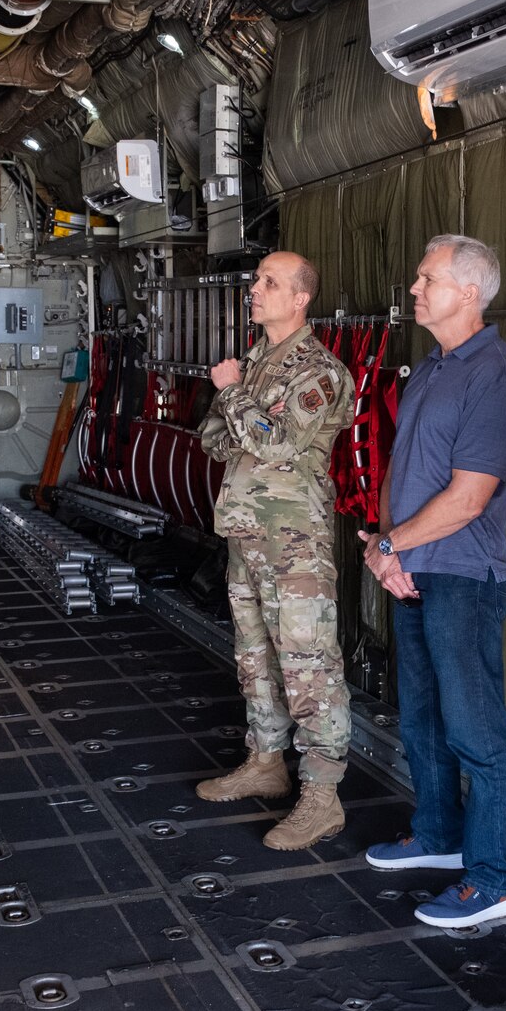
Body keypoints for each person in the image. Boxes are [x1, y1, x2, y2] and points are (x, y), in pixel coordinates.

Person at [359, 235, 506, 929]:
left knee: (475, 728)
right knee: (422, 715)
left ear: (468, 292)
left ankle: (492, 876)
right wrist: (384, 548)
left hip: (464, 575)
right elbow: (401, 469)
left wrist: (393, 543)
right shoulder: (431, 367)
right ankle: (437, 834)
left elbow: (468, 497)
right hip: (413, 569)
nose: (415, 288)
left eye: (427, 279)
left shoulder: (493, 374)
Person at [196, 251, 355, 849]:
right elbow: (214, 436)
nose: (255, 290)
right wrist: (241, 408)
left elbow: (278, 443)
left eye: (270, 283)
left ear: (300, 299)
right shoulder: (258, 363)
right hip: (247, 534)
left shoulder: (318, 371)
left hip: (295, 546)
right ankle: (266, 761)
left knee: (308, 665)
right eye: (256, 280)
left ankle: (322, 796)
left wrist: (235, 397)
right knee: (255, 656)